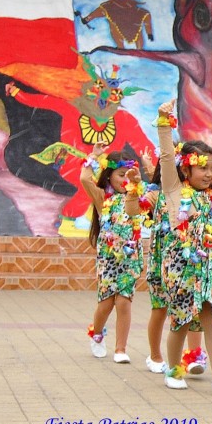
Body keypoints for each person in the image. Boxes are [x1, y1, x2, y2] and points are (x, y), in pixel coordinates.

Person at [130, 100, 212, 393]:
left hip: (208, 271)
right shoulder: (173, 193)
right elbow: (165, 156)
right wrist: (164, 121)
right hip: (178, 270)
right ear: (185, 170)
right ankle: (173, 369)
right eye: (203, 168)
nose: (210, 173)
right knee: (181, 321)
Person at [143, 153, 207, 374]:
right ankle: (155, 355)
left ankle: (193, 355)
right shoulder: (156, 195)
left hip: (187, 260)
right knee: (160, 309)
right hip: (162, 260)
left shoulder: (190, 195)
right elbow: (136, 207)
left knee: (192, 309)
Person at [80, 144, 143, 363]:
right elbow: (85, 179)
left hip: (131, 258)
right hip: (108, 260)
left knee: (124, 301)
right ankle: (97, 334)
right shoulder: (102, 198)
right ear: (109, 177)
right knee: (106, 303)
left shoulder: (135, 197)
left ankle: (120, 349)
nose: (125, 179)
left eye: (129, 175)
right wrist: (94, 156)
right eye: (120, 175)